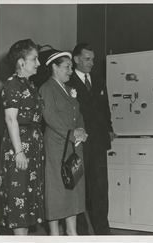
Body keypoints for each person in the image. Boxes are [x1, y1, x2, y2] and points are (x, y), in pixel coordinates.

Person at [66, 43, 116, 235]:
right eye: (87, 59)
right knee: (79, 190)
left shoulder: (98, 80)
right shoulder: (68, 82)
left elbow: (105, 108)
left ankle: (103, 231)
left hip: (98, 143)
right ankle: (81, 233)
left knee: (100, 189)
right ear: (76, 59)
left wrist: (109, 129)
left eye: (93, 59)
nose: (92, 63)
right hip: (78, 144)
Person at [0, 39, 45, 235]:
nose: (38, 63)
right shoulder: (12, 85)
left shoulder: (29, 84)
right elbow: (10, 120)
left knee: (27, 203)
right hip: (20, 146)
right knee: (19, 204)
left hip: (32, 145)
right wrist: (19, 152)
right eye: (34, 59)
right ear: (21, 62)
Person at [39, 50, 88, 235]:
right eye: (67, 67)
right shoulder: (46, 88)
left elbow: (79, 115)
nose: (70, 71)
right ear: (54, 67)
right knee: (57, 190)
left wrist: (82, 130)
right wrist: (73, 134)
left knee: (73, 188)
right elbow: (50, 117)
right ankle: (55, 234)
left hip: (73, 147)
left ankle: (71, 232)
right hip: (57, 147)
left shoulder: (69, 90)